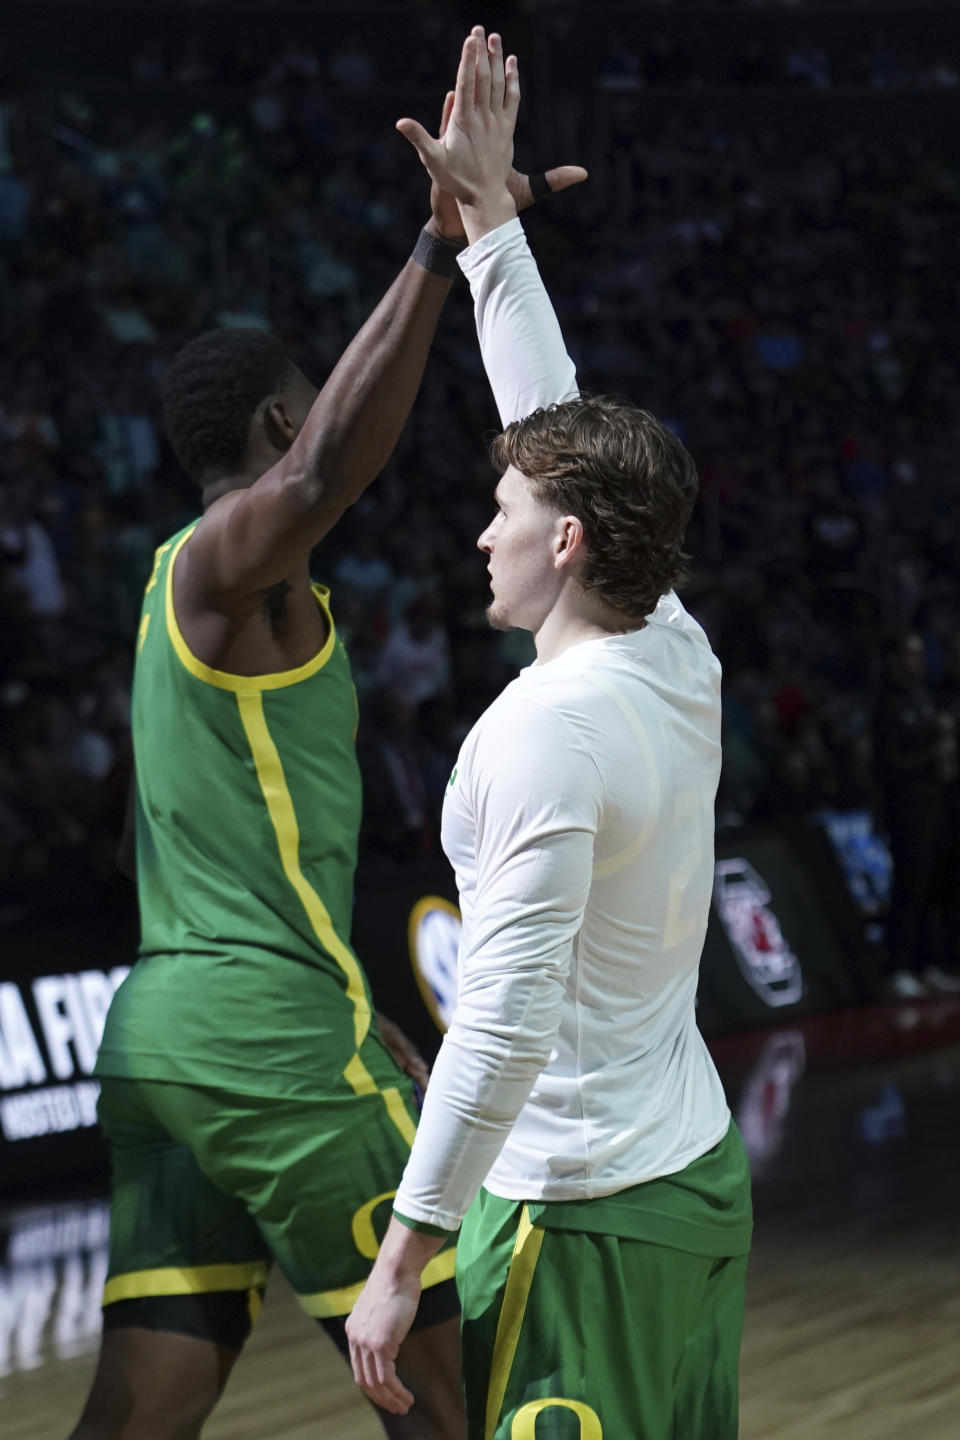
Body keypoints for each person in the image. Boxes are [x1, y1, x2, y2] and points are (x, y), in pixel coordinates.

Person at [69, 53, 585, 1440]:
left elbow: (155, 836)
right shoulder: (239, 560)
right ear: (284, 419)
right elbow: (318, 476)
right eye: (313, 412)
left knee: (144, 1402)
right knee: (454, 1384)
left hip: (169, 1034)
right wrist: (441, 244)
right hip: (264, 1039)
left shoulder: (171, 599)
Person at [347, 30, 752, 1440]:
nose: (482, 528)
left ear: (566, 545)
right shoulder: (672, 645)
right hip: (692, 1175)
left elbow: (502, 1023)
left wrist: (403, 1260)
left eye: (506, 517)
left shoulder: (545, 734)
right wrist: (491, 239)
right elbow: (548, 419)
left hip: (587, 1216)